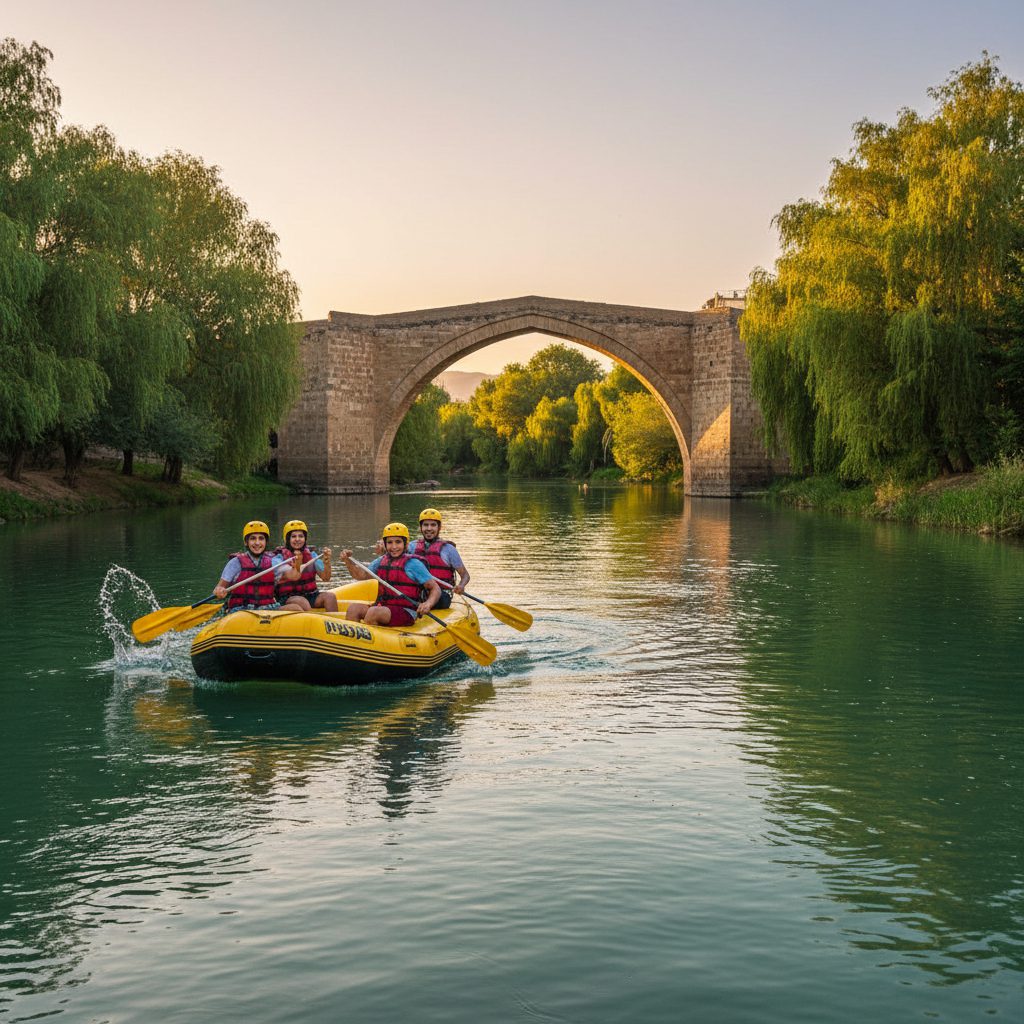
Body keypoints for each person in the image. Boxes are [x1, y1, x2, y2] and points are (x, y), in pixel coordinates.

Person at [340, 522, 440, 627]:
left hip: (406, 611)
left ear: (405, 544)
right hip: (383, 607)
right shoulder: (381, 561)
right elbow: (361, 576)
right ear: (385, 544)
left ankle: (375, 641)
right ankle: (353, 641)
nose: (394, 547)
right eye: (390, 542)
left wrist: (428, 604)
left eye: (398, 542)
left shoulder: (413, 564)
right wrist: (348, 562)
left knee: (373, 613)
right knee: (353, 609)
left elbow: (435, 588)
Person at [213, 520, 296, 611]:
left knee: (295, 608)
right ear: (246, 542)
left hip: (268, 608)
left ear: (266, 542)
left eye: (261, 538)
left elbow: (293, 575)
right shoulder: (235, 563)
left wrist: (296, 565)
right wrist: (219, 591)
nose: (257, 543)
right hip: (242, 610)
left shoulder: (274, 561)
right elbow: (219, 587)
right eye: (253, 538)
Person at [408, 507, 470, 610]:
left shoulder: (449, 549)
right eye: (425, 525)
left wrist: (461, 585)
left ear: (439, 527)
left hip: (442, 595)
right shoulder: (411, 546)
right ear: (420, 527)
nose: (429, 528)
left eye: (433, 525)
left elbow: (465, 576)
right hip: (419, 592)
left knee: (436, 598)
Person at [275, 518, 338, 612]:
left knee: (330, 597)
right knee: (302, 601)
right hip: (287, 598)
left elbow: (326, 578)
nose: (297, 539)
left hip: (310, 594)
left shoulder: (312, 555)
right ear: (287, 539)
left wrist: (327, 562)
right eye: (293, 536)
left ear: (305, 538)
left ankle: (334, 623)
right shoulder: (279, 558)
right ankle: (312, 624)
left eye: (301, 536)